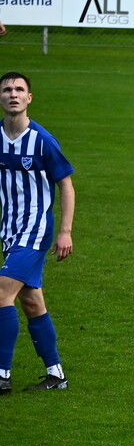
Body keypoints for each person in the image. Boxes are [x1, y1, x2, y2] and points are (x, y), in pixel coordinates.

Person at [0, 72, 74, 393]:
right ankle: (56, 375)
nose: (13, 94)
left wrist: (65, 231)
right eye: (7, 90)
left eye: (19, 89)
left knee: (2, 294)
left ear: (29, 98)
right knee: (31, 302)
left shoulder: (42, 140)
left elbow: (66, 185)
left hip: (35, 232)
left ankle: (1, 375)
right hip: (10, 232)